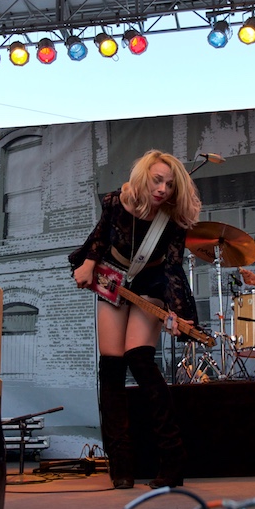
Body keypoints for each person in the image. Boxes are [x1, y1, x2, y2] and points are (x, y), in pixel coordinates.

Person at [70, 150, 201, 490]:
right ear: (144, 176)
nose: (162, 189)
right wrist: (87, 263)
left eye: (170, 185)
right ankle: (121, 464)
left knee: (140, 359)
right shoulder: (117, 201)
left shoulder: (172, 219)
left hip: (150, 282)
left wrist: (178, 310)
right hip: (112, 279)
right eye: (157, 180)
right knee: (111, 367)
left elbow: (173, 268)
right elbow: (101, 237)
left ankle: (173, 460)